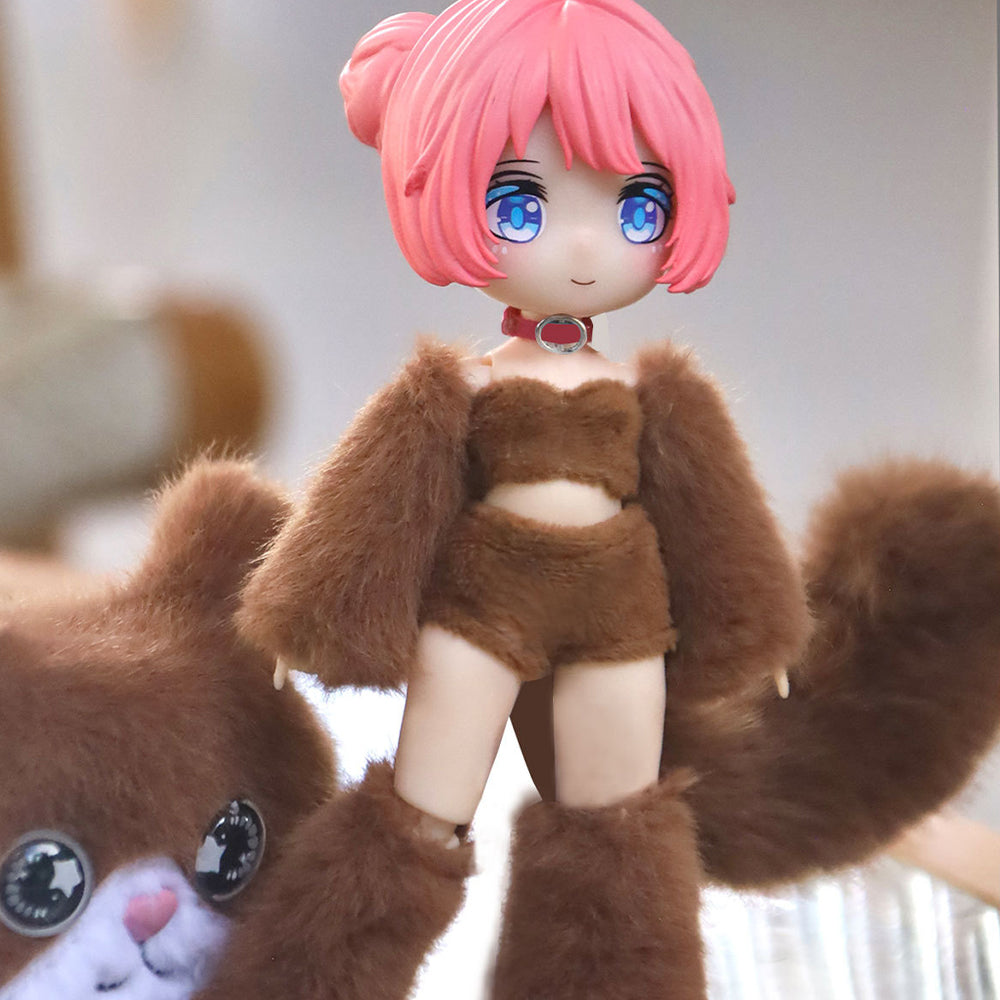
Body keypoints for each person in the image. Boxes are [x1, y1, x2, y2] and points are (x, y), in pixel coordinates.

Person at [232, 3, 808, 997]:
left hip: (617, 620)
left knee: (618, 828)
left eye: (636, 209)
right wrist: (304, 612)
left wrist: (760, 629)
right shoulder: (460, 386)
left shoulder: (654, 395)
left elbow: (718, 524)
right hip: (483, 610)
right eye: (521, 204)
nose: (584, 247)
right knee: (419, 813)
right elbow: (373, 503)